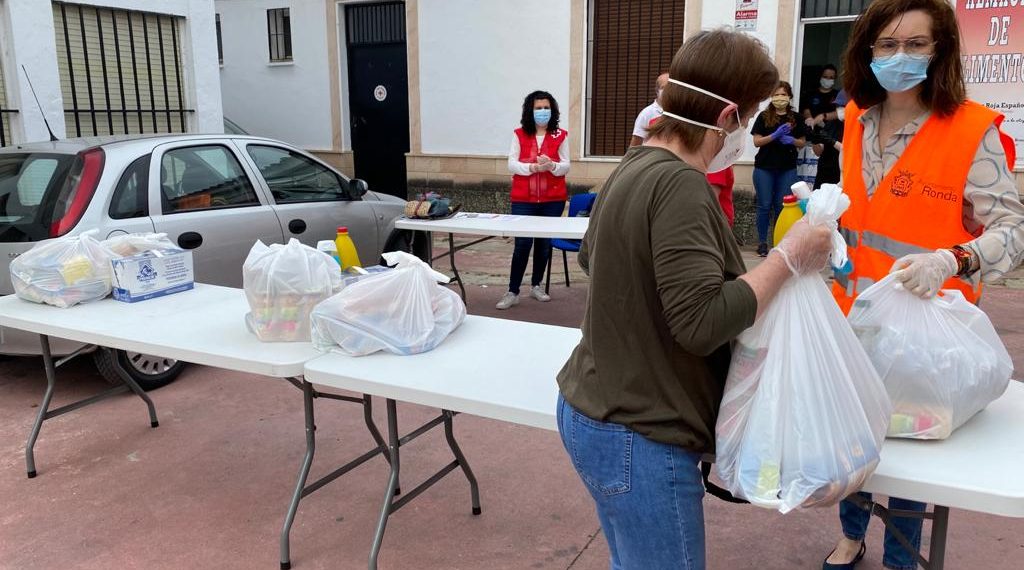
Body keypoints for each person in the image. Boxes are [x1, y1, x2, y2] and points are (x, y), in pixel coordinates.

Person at [556, 29, 834, 569]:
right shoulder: (682, 185)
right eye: (751, 117)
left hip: (592, 410)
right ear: (729, 115)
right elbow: (702, 322)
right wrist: (789, 258)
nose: (745, 131)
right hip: (641, 434)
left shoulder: (634, 163)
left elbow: (595, 259)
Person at [823, 1, 1023, 569]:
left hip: (926, 333)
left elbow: (1014, 228)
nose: (900, 57)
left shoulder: (969, 129)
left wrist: (954, 259)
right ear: (867, 51)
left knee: (913, 449)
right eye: (886, 45)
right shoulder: (857, 117)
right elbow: (860, 213)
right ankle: (851, 532)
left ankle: (902, 555)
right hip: (853, 318)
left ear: (940, 52)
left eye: (915, 45)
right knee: (852, 439)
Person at [498, 90, 571, 310]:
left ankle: (537, 285)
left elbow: (566, 165)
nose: (543, 112)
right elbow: (511, 164)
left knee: (543, 245)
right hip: (524, 199)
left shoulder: (561, 134)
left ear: (553, 110)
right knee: (522, 244)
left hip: (553, 199)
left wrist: (552, 166)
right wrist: (531, 167)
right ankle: (513, 290)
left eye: (546, 108)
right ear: (530, 111)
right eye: (538, 108)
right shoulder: (519, 134)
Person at [751, 81, 808, 256]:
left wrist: (791, 140)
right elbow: (756, 142)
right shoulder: (764, 116)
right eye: (776, 94)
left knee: (782, 206)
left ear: (789, 97)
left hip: (787, 168)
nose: (780, 98)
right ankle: (762, 242)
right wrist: (774, 136)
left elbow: (802, 142)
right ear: (771, 96)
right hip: (764, 167)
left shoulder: (796, 118)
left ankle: (779, 241)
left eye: (783, 94)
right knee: (764, 205)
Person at [802, 64, 843, 188]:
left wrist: (823, 117)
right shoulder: (811, 93)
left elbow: (844, 149)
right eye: (825, 77)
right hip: (825, 166)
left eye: (831, 77)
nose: (828, 79)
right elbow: (818, 151)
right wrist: (814, 133)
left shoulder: (837, 95)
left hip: (841, 168)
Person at [630, 71, 670, 146]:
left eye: (670, 87)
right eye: (664, 87)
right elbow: (636, 142)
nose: (668, 91)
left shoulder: (678, 112)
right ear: (657, 90)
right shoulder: (647, 114)